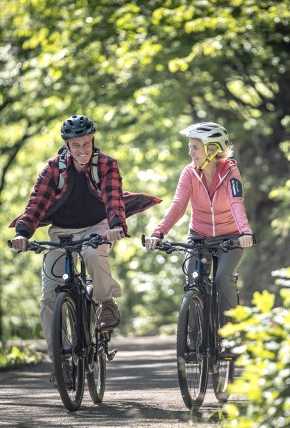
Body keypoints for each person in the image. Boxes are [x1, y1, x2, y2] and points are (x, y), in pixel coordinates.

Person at [9, 115, 161, 373]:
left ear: (93, 141)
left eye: (87, 144)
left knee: (92, 253)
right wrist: (23, 233)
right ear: (67, 146)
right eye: (76, 145)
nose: (82, 150)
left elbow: (114, 199)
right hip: (62, 231)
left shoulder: (105, 165)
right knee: (48, 298)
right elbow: (36, 203)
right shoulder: (53, 169)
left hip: (97, 225)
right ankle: (60, 362)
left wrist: (115, 227)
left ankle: (106, 303)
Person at [145, 121, 254, 334]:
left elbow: (236, 203)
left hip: (230, 238)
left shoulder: (231, 171)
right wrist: (158, 232)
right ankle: (195, 340)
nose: (190, 152)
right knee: (194, 282)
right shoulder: (189, 173)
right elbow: (178, 206)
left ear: (211, 149)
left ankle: (229, 338)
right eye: (190, 147)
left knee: (223, 279)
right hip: (199, 238)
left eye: (195, 147)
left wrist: (245, 232)